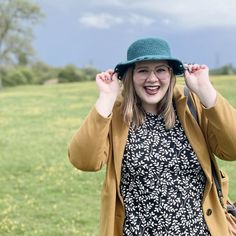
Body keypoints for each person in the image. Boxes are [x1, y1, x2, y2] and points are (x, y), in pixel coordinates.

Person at [68, 37, 236, 236]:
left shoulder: (191, 105)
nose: (152, 78)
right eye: (143, 70)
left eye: (160, 70)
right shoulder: (115, 114)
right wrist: (106, 98)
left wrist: (205, 90)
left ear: (171, 74)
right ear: (130, 76)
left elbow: (232, 149)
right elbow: (84, 161)